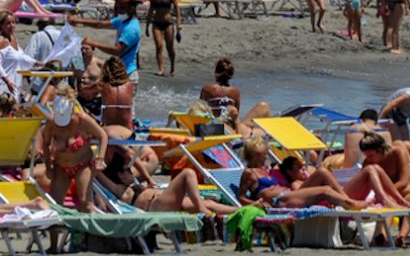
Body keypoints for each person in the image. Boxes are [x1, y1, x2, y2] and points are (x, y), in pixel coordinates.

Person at [236, 137, 369, 210]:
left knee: (322, 172)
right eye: (262, 154)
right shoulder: (249, 173)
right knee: (325, 190)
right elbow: (241, 197)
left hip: (290, 194)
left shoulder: (265, 170)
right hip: (280, 201)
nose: (265, 157)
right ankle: (351, 204)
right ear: (254, 155)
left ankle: (348, 200)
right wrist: (256, 204)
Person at [41, 86, 108, 216]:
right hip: (61, 166)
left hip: (82, 165)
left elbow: (102, 136)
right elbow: (46, 143)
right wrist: (48, 166)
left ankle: (95, 232)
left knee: (85, 203)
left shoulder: (83, 120)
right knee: (55, 206)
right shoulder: (51, 122)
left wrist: (100, 159)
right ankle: (54, 236)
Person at [67, 0, 141, 100]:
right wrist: (77, 21)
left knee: (124, 108)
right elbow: (99, 24)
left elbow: (117, 50)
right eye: (118, 8)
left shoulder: (131, 29)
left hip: (127, 73)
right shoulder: (77, 61)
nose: (119, 11)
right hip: (118, 72)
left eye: (122, 8)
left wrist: (94, 43)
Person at [359, 132, 410, 245]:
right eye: (366, 156)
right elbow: (365, 185)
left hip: (408, 191)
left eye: (371, 156)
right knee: (389, 202)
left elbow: (404, 181)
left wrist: (385, 192)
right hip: (388, 195)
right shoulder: (367, 163)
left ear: (380, 149)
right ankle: (382, 236)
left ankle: (402, 236)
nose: (369, 159)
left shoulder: (398, 152)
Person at [98, 166, 239, 215]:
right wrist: (95, 163)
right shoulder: (122, 191)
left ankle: (242, 210)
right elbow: (101, 177)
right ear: (119, 176)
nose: (131, 172)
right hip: (156, 205)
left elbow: (136, 159)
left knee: (208, 203)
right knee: (187, 173)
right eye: (127, 170)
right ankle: (202, 210)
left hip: (163, 201)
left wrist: (147, 179)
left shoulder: (133, 185)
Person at [0, 11, 44, 98]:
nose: (12, 25)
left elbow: (22, 58)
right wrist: (6, 80)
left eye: (13, 22)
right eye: (8, 23)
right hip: (4, 86)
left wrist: (41, 64)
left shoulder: (13, 39)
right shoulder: (1, 41)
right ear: (1, 25)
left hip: (14, 85)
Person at [144, 0, 181, 77]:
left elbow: (177, 9)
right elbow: (151, 11)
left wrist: (179, 23)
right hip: (156, 23)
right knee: (159, 46)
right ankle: (161, 69)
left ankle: (173, 67)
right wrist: (147, 26)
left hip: (168, 23)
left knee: (170, 47)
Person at [99, 57, 134, 129]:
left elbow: (85, 93)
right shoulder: (130, 86)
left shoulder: (102, 86)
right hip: (127, 129)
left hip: (108, 128)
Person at [76, 42, 104, 118]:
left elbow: (106, 81)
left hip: (96, 99)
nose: (83, 51)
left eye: (86, 49)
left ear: (93, 49)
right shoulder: (77, 64)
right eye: (82, 49)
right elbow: (73, 80)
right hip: (82, 98)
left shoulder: (99, 64)